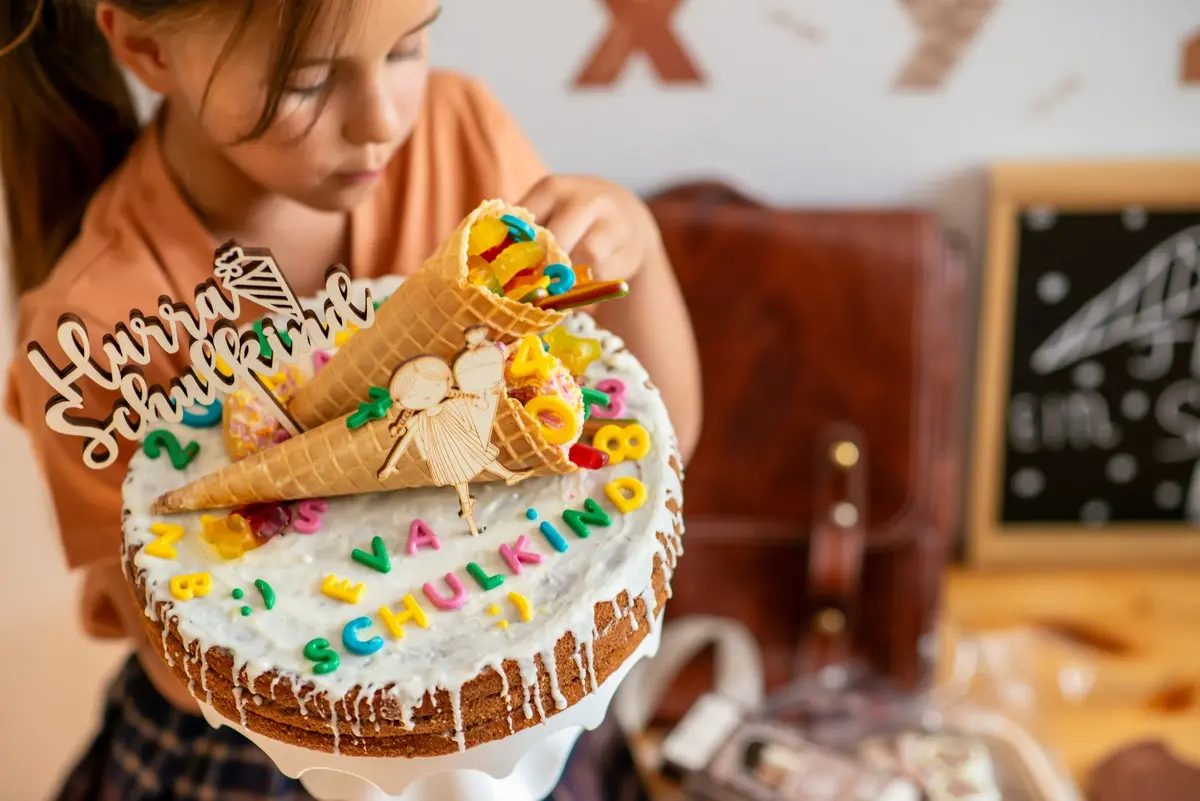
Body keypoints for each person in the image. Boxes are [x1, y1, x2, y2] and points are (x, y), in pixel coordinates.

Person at [0, 0, 701, 797]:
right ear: (145, 49)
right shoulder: (94, 322)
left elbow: (657, 448)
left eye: (407, 47)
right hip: (248, 758)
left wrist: (635, 238)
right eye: (307, 82)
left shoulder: (456, 134)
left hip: (516, 697)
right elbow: (176, 660)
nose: (379, 121)